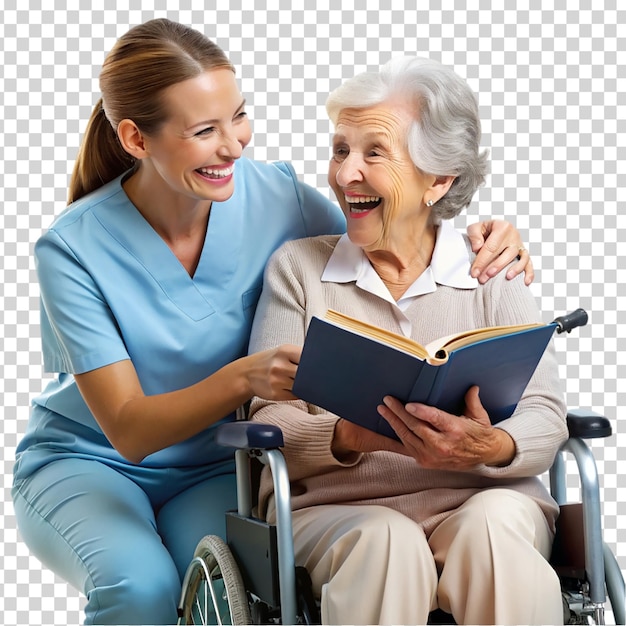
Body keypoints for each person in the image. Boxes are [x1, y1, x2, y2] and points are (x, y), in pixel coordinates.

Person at [11, 19, 533, 626]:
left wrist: (482, 236)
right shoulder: (71, 248)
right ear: (135, 138)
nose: (234, 145)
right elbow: (128, 428)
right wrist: (244, 379)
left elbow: (388, 236)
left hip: (219, 465)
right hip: (94, 460)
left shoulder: (278, 197)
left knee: (258, 588)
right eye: (206, 130)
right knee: (143, 589)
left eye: (239, 116)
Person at [248, 55, 568, 625]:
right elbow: (270, 420)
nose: (345, 174)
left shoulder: (490, 268)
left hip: (485, 497)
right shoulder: (297, 270)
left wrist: (489, 447)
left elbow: (545, 414)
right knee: (385, 542)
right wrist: (349, 435)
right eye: (340, 149)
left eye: (374, 153)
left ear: (438, 179)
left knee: (493, 534)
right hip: (339, 510)